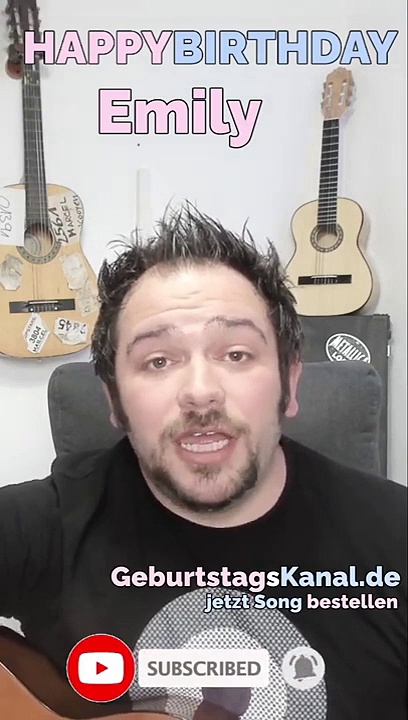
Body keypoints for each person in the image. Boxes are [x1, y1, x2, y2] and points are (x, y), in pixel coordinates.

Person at [0, 204, 406, 720]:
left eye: (236, 354)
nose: (200, 392)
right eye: (158, 360)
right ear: (114, 401)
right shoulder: (49, 525)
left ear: (290, 382)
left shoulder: (395, 535)